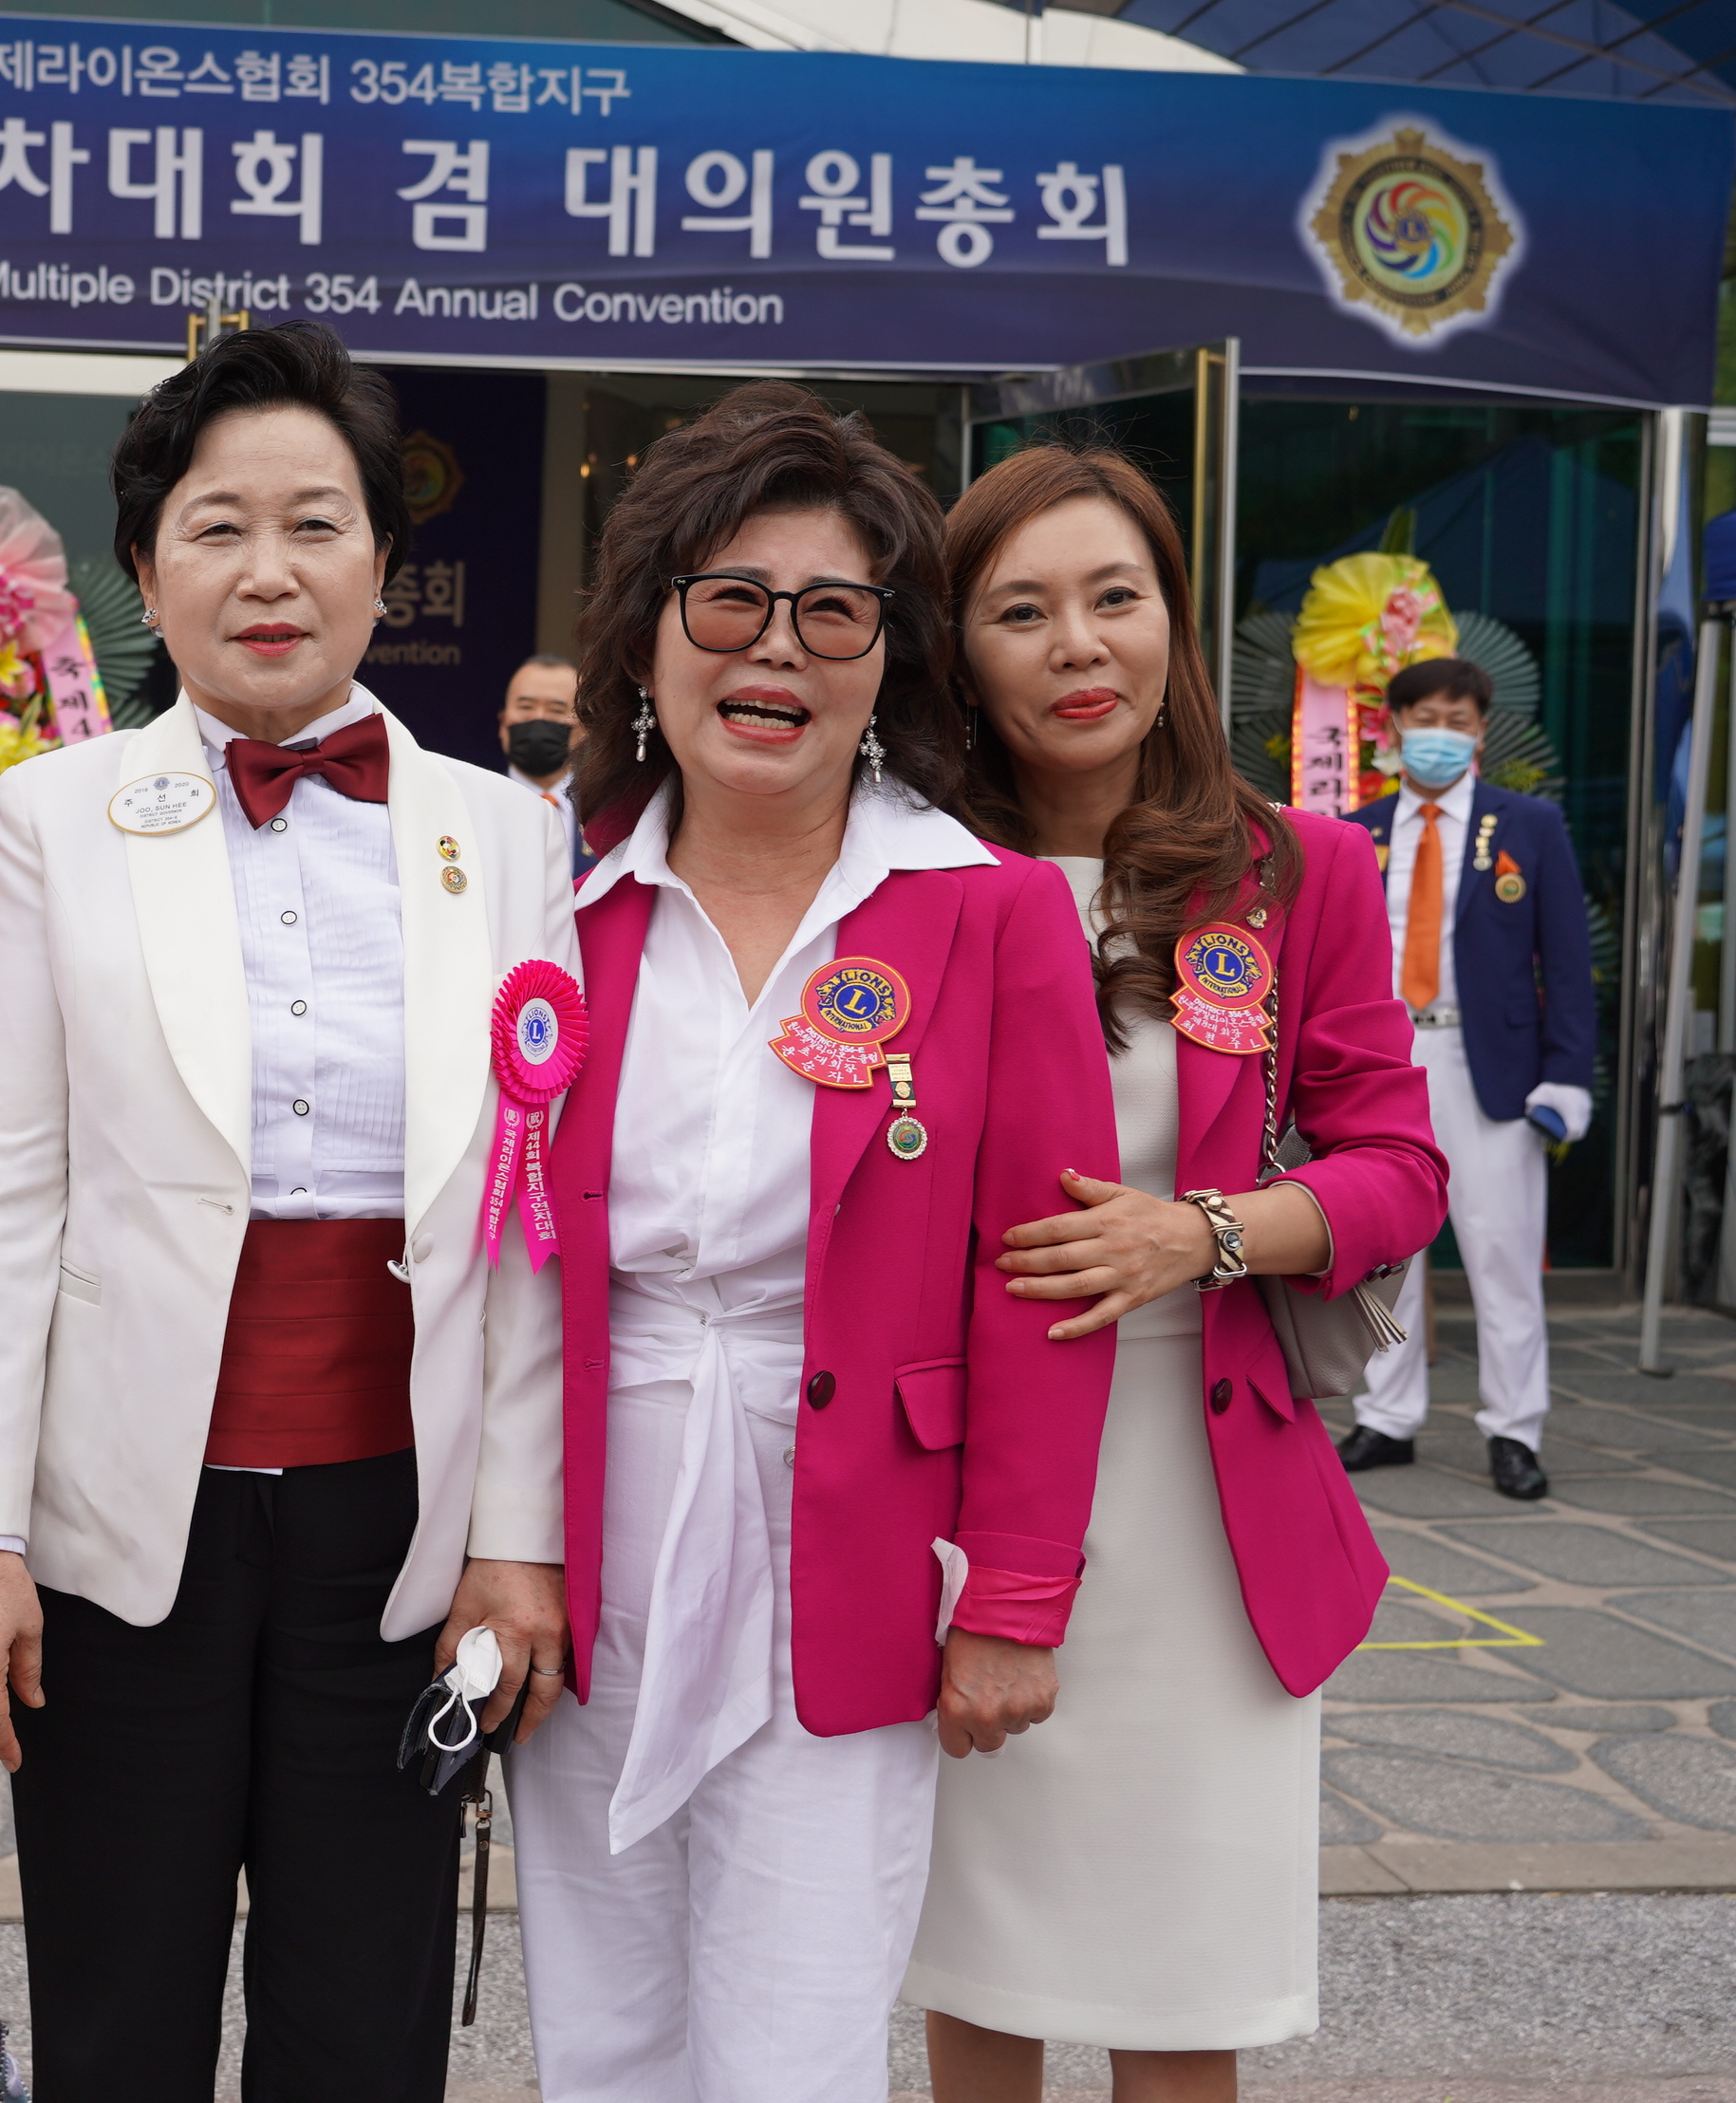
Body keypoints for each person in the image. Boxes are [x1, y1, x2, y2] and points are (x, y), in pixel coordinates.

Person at [0, 321, 572, 2102]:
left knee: (362, 2015)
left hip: (401, 1515)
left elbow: (526, 1217)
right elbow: (6, 1186)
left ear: (383, 562)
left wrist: (516, 1537)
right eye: (215, 528)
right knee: (117, 2006)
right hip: (124, 1517)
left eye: (314, 524)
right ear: (146, 572)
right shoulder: (52, 817)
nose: (267, 573)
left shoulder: (505, 834)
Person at [506, 383, 1120, 2103]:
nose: (777, 646)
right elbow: (494, 1261)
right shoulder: (550, 902)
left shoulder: (988, 910)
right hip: (586, 1531)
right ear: (648, 640)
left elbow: (1045, 1281)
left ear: (886, 659)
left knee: (799, 2030)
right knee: (603, 2025)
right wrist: (493, 1541)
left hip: (854, 1534)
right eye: (730, 600)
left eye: (834, 610)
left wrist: (1014, 1596)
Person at [907, 443, 1447, 2100]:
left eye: (1113, 597)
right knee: (977, 1968)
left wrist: (1200, 1232)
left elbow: (1398, 1170)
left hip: (1210, 1508)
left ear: (1172, 625)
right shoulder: (905, 876)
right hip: (966, 1490)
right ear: (959, 653)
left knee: (1181, 1989)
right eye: (1021, 611)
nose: (1078, 644)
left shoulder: (1298, 872)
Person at [1338, 656, 1594, 1502]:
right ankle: (1387, 1415)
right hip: (1386, 1063)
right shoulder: (1357, 833)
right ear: (1394, 726)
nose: (1441, 735)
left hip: (1494, 1071)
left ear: (1481, 731)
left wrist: (1565, 1078)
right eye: (1426, 719)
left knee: (1502, 1253)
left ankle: (1514, 1429)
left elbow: (1568, 963)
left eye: (1458, 721)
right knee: (1387, 1251)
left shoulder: (1531, 825)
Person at [499, 650, 592, 867]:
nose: (539, 718)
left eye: (556, 710)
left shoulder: (609, 816)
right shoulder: (470, 808)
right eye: (526, 707)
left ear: (583, 728)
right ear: (503, 722)